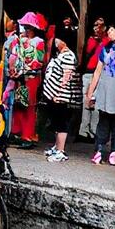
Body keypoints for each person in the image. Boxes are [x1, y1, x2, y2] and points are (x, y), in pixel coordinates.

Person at [86, 23, 115, 165]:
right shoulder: (105, 49)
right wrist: (90, 91)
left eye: (112, 29)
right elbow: (98, 71)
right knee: (103, 121)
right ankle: (99, 149)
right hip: (104, 89)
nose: (109, 32)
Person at [42, 29, 82, 163]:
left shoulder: (68, 56)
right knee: (56, 121)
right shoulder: (61, 54)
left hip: (61, 96)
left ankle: (61, 150)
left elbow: (66, 76)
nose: (55, 41)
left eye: (58, 39)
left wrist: (57, 93)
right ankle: (56, 146)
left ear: (64, 41)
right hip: (54, 94)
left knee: (61, 122)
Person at [8, 12, 47, 146]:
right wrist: (14, 70)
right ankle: (15, 131)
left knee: (29, 106)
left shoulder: (39, 42)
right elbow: (13, 56)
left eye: (27, 27)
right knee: (18, 104)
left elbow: (39, 62)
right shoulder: (18, 40)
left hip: (31, 77)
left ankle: (27, 135)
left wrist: (24, 70)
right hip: (19, 77)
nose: (24, 29)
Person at [78, 16, 107, 141]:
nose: (97, 28)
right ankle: (83, 131)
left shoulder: (107, 41)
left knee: (96, 102)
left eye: (100, 25)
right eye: (96, 25)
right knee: (86, 101)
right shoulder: (90, 40)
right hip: (88, 72)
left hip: (100, 73)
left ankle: (94, 130)